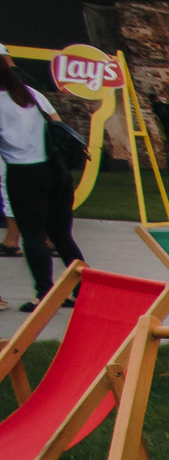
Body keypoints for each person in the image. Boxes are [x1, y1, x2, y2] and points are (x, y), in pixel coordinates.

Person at [0, 55, 79, 307]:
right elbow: (57, 124)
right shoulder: (30, 93)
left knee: (33, 234)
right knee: (61, 234)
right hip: (56, 169)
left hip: (23, 173)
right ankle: (81, 287)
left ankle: (44, 292)